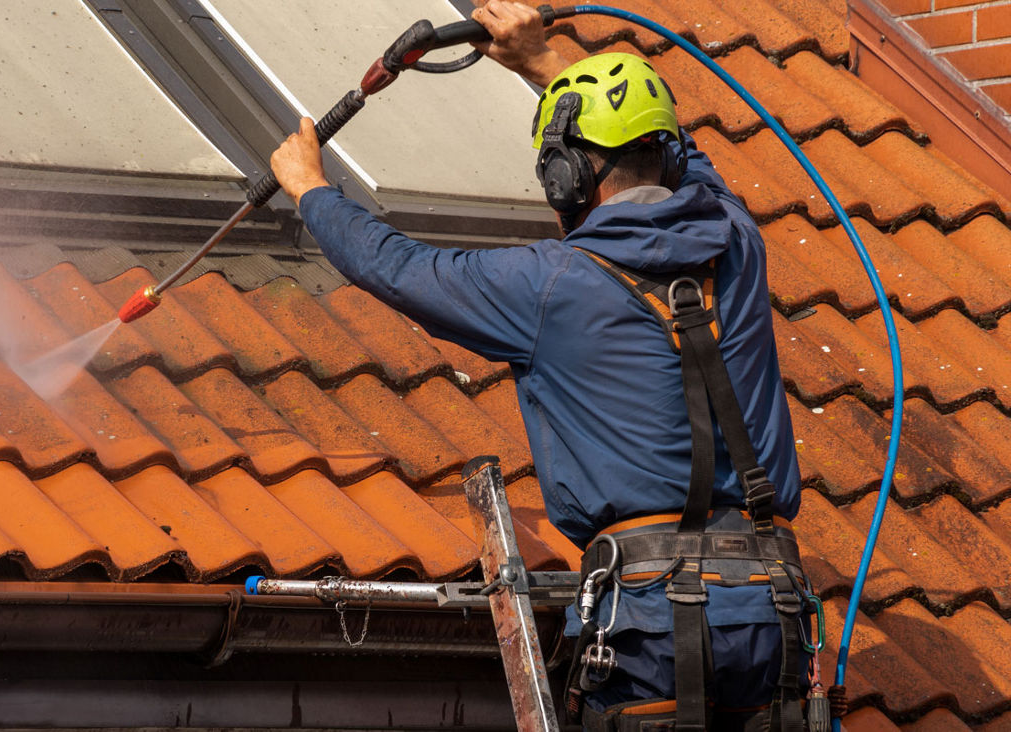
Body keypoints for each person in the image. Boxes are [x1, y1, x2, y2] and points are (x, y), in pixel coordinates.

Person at [270, 2, 812, 729]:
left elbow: (399, 268)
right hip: (773, 612)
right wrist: (541, 58)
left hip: (650, 626)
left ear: (563, 177)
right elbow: (683, 154)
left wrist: (310, 189)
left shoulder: (550, 284)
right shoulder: (738, 238)